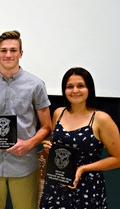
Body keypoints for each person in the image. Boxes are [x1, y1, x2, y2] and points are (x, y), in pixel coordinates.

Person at [0, 30, 52, 209]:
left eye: (13, 50)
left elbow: (47, 126)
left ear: (21, 53)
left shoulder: (36, 85)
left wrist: (29, 144)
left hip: (23, 164)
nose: (8, 55)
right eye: (3, 50)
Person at [39, 67, 120, 208]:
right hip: (55, 186)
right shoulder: (58, 113)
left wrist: (82, 169)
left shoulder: (101, 119)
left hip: (87, 188)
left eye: (80, 86)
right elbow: (58, 148)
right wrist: (49, 149)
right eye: (70, 86)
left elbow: (118, 158)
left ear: (89, 89)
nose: (75, 90)